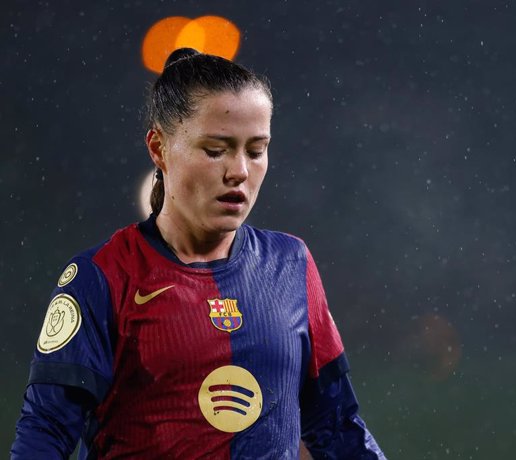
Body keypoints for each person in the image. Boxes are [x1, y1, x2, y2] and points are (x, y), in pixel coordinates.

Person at [11, 48, 385, 459]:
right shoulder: (101, 276)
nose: (239, 170)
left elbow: (336, 425)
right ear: (158, 147)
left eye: (256, 150)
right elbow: (45, 433)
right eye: (215, 149)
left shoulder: (292, 264)